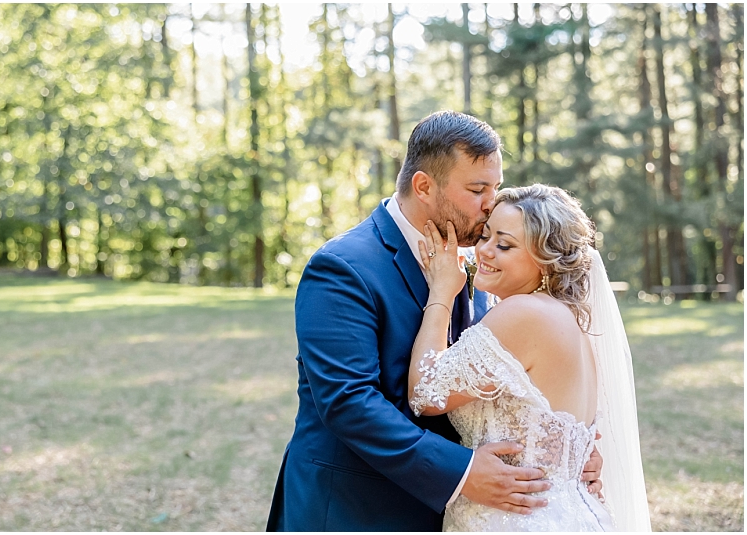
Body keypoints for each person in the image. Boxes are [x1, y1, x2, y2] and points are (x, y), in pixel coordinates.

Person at [266, 111, 602, 531]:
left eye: (494, 188)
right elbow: (348, 401)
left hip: (460, 512)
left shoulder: (486, 266)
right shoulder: (343, 267)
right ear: (424, 186)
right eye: (477, 189)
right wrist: (461, 472)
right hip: (357, 508)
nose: (490, 204)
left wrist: (565, 454)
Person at [409, 184, 652, 531]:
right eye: (486, 236)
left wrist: (442, 292)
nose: (484, 252)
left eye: (504, 245)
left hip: (517, 519)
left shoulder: (524, 314)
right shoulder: (568, 320)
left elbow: (425, 393)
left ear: (547, 261)